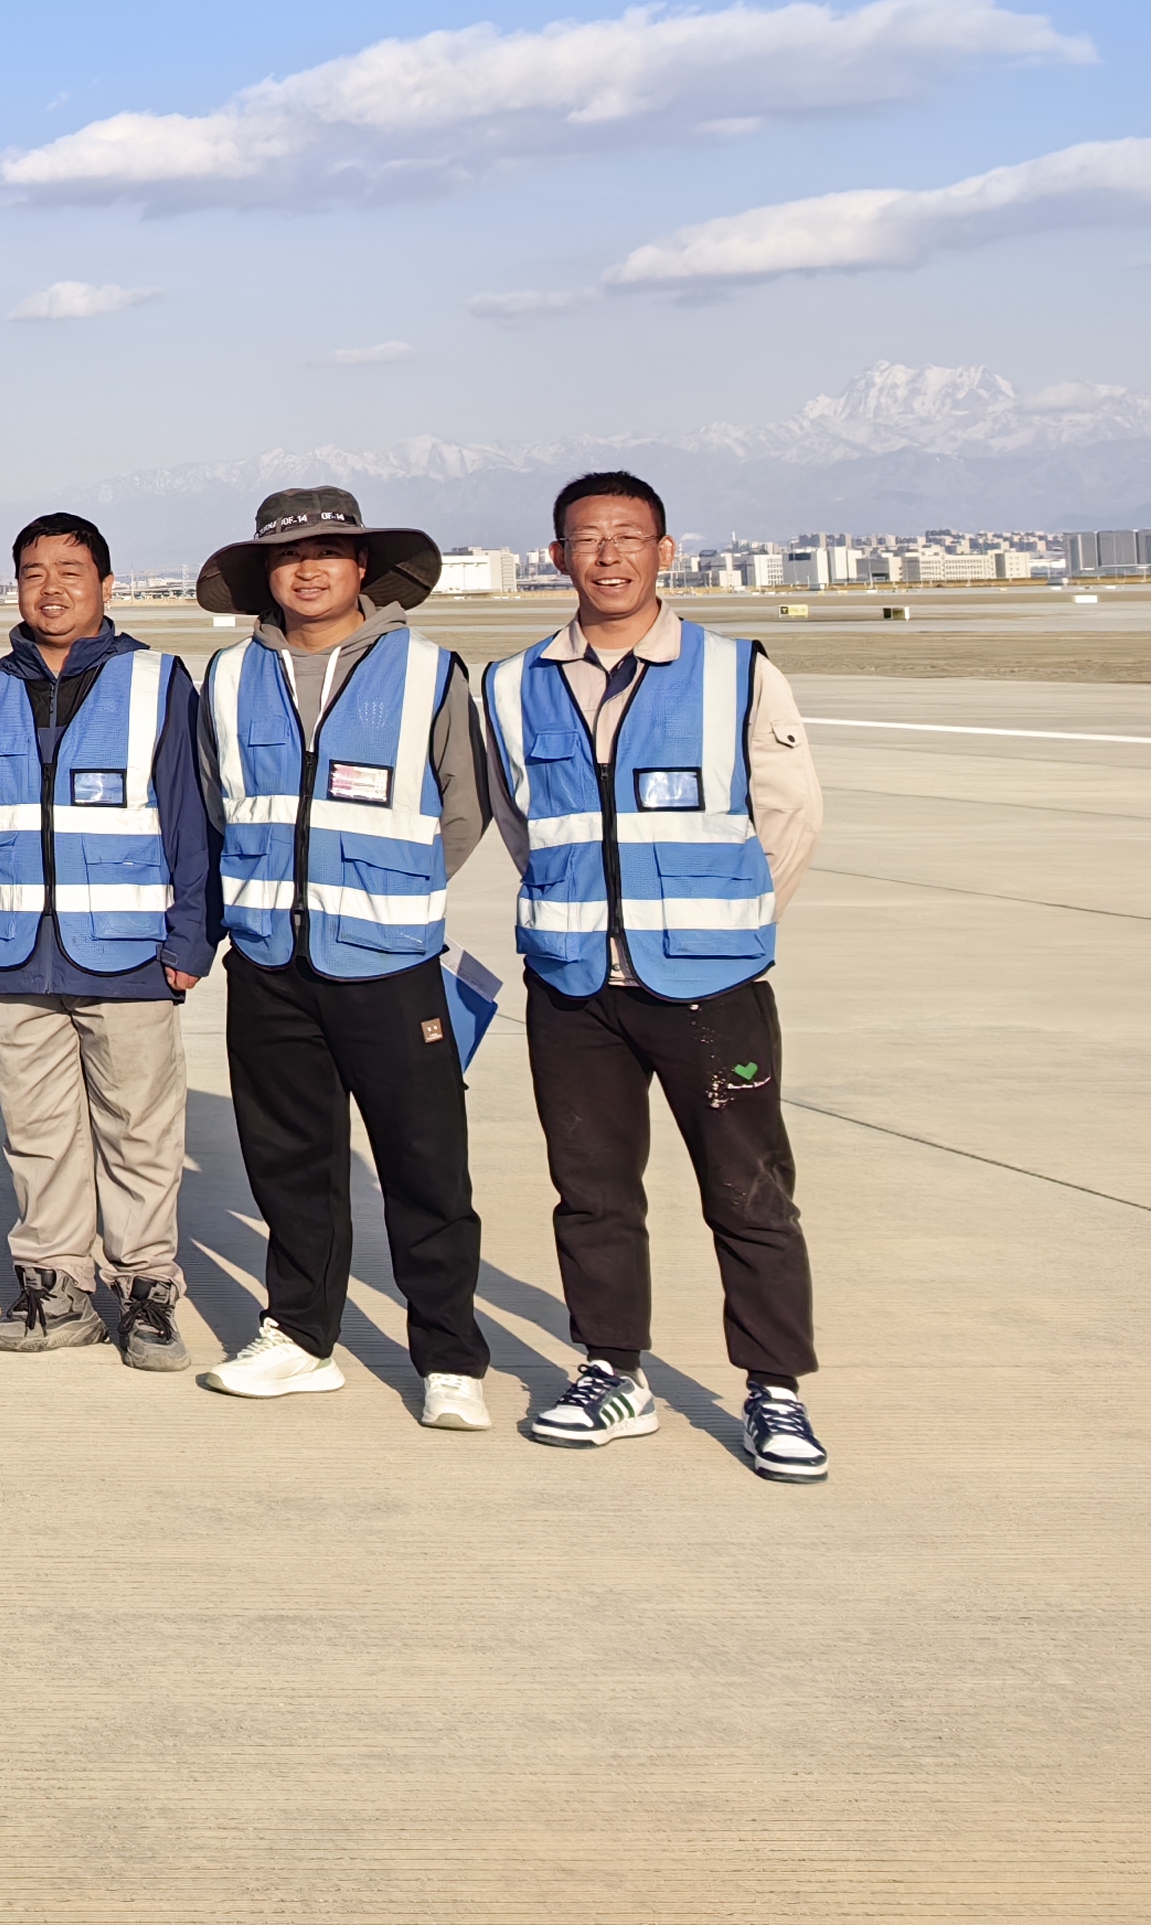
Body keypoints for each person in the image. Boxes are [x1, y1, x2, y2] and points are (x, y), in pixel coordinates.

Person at [481, 471, 830, 1482]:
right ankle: (612, 1370)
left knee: (749, 1191)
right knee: (591, 1190)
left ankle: (774, 1388)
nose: (608, 556)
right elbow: (521, 824)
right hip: (574, 984)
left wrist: (729, 923)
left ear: (664, 552)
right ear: (557, 558)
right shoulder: (510, 685)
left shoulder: (735, 672)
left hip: (709, 984)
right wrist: (583, 915)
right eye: (587, 540)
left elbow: (789, 814)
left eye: (628, 537)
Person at [190, 485, 496, 1431]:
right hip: (270, 961)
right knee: (289, 1165)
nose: (308, 569)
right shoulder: (228, 677)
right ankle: (298, 1336)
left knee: (425, 1166)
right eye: (287, 556)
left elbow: (464, 806)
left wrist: (387, 894)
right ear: (264, 575)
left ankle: (449, 1356)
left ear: (363, 566)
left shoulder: (430, 671)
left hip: (389, 962)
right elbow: (216, 804)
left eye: (327, 550)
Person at [0, 513, 215, 1372]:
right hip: (13, 955)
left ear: (106, 586)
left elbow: (190, 819)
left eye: (71, 572)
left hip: (129, 955)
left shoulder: (157, 683)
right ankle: (55, 1289)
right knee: (37, 1135)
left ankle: (146, 1292)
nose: (50, 589)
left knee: (139, 1134)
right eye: (33, 573)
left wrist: (191, 937)